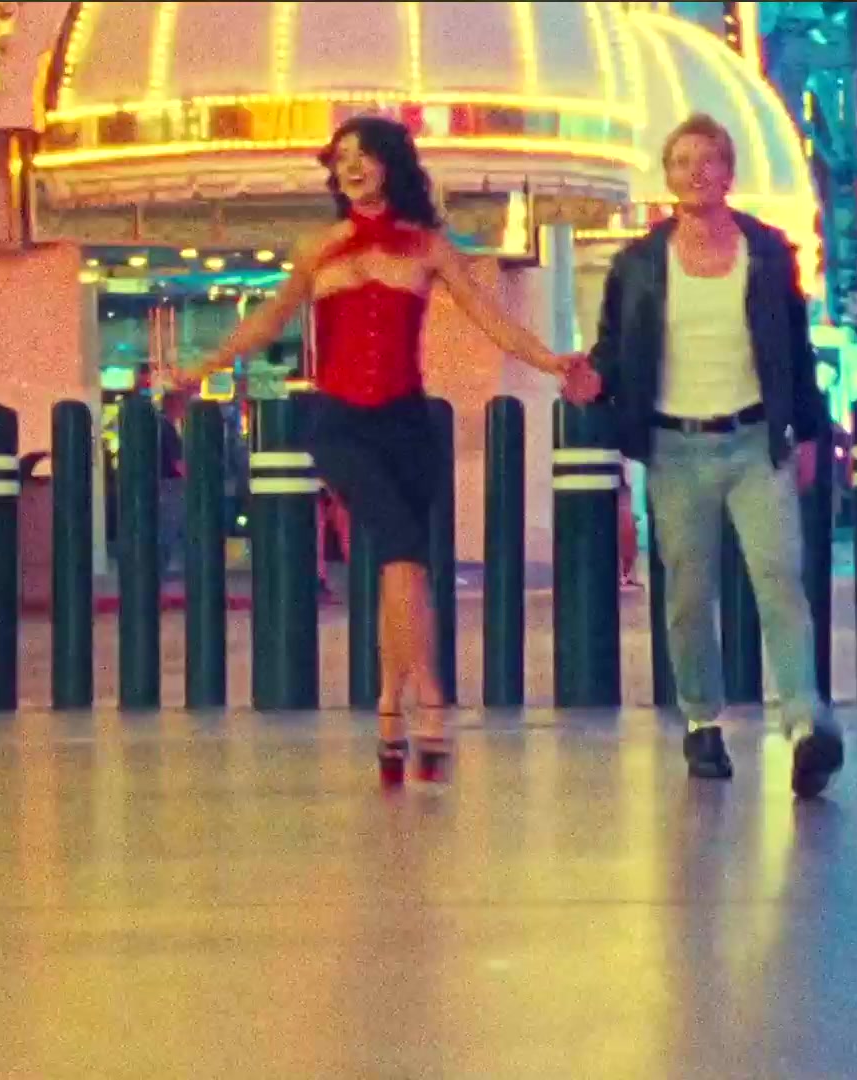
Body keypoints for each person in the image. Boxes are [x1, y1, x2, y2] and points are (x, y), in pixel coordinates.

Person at [180, 116, 586, 783]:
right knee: (400, 549)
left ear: (390, 163)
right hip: (339, 424)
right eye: (341, 157)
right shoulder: (319, 248)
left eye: (364, 154)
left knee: (406, 567)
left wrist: (551, 361)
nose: (351, 166)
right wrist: (201, 368)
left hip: (406, 424)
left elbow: (490, 318)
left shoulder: (427, 246)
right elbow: (269, 321)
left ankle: (390, 707)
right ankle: (431, 698)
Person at [562, 113, 844, 799]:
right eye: (682, 161)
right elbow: (614, 350)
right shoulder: (638, 265)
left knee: (779, 579)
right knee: (689, 593)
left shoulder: (766, 253)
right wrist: (593, 381)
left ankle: (805, 723)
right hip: (674, 448)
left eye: (708, 160)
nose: (696, 172)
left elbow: (795, 352)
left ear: (728, 172)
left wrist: (810, 431)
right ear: (668, 176)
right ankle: (701, 720)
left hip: (756, 442)